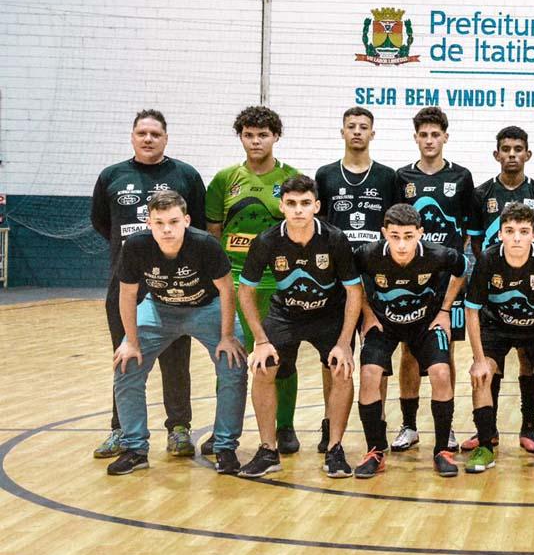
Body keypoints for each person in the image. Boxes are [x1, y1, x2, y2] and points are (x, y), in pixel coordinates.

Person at [91, 110, 205, 460]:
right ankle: (121, 430)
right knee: (125, 356)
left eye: (155, 133)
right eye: (142, 132)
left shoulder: (184, 175)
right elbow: (102, 223)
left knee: (175, 358)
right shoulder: (112, 176)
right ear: (132, 136)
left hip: (174, 283)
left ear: (166, 138)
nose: (148, 138)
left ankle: (179, 428)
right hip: (125, 285)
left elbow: (197, 225)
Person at [107, 191, 246, 476]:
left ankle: (225, 446)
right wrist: (131, 342)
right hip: (159, 308)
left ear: (186, 220)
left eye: (173, 221)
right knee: (126, 365)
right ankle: (135, 448)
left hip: (206, 308)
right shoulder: (135, 246)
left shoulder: (205, 244)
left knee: (233, 364)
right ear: (149, 223)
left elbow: (227, 288)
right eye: (159, 223)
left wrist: (227, 336)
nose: (167, 229)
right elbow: (127, 293)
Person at [235, 175, 363, 478]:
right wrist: (260, 340)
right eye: (291, 204)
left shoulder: (334, 238)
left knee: (341, 368)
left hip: (329, 315)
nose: (298, 210)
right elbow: (245, 289)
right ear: (282, 207)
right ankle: (268, 450)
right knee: (264, 367)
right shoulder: (267, 241)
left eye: (305, 203)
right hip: (285, 315)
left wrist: (344, 342)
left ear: (316, 206)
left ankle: (334, 449)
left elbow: (355, 292)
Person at [336, 205, 467, 479]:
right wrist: (368, 313)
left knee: (441, 373)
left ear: (420, 233)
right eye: (394, 236)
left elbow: (461, 269)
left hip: (424, 324)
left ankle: (442, 450)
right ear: (384, 233)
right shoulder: (367, 254)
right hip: (384, 324)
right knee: (370, 374)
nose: (402, 244)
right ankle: (375, 451)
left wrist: (444, 310)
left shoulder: (438, 254)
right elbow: (351, 280)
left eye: (408, 236)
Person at [204, 106, 302, 456]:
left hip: (279, 283)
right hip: (233, 282)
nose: (256, 140)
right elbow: (213, 233)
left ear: (276, 136)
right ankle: (223, 430)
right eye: (249, 134)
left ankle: (285, 426)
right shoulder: (224, 180)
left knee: (280, 360)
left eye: (263, 134)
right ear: (241, 137)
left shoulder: (292, 178)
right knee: (229, 357)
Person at [465, 126, 534, 453]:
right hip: (493, 290)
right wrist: (495, 272)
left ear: (528, 154)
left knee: (529, 360)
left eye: (519, 148)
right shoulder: (480, 194)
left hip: (531, 294)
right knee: (491, 363)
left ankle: (528, 427)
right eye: (506, 149)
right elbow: (475, 239)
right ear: (497, 154)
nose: (512, 154)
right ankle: (486, 432)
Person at [390, 106, 475, 455]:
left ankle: (447, 425)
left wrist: (454, 265)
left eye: (435, 134)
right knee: (409, 351)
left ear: (445, 137)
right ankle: (409, 425)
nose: (429, 140)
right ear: (416, 138)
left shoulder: (461, 177)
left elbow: (470, 230)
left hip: (446, 282)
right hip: (410, 281)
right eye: (423, 134)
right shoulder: (402, 177)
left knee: (446, 351)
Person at [463, 202, 534, 474]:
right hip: (496, 327)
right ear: (500, 234)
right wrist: (478, 359)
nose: (517, 238)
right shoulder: (487, 259)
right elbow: (471, 311)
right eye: (510, 231)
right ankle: (485, 445)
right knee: (482, 374)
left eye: (524, 231)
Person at [314, 107, 398, 453]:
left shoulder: (387, 177)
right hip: (336, 279)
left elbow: (396, 224)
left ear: (373, 134)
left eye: (364, 127)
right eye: (352, 127)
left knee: (376, 353)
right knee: (334, 355)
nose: (358, 132)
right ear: (342, 132)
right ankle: (329, 422)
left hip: (378, 280)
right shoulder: (326, 175)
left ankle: (376, 425)